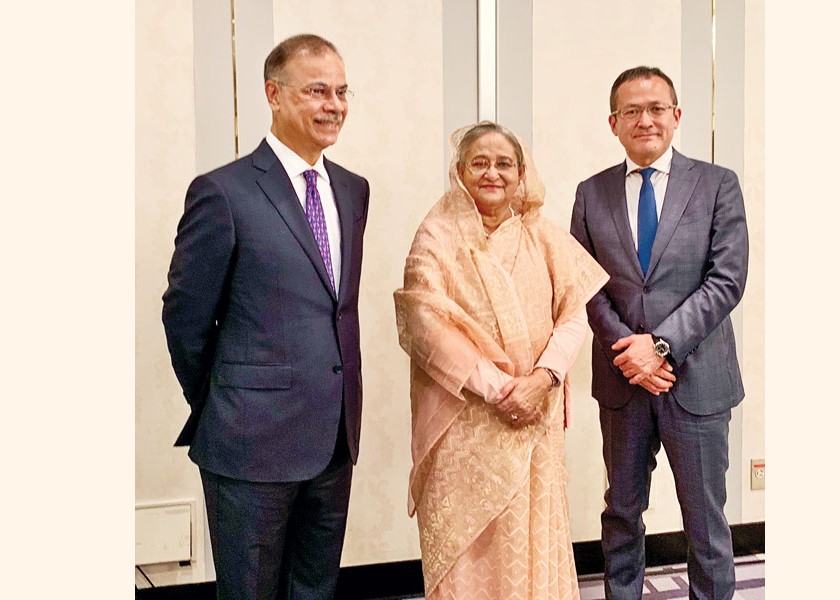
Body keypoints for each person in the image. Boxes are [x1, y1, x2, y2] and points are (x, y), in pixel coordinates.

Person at [161, 34, 369, 600]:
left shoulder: (353, 191)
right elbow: (185, 317)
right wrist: (225, 398)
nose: (335, 104)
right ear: (273, 94)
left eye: (342, 91)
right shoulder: (222, 192)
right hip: (248, 438)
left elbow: (332, 307)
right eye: (317, 91)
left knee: (315, 587)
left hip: (333, 435)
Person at [394, 121, 609, 598]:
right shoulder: (437, 235)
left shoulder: (545, 236)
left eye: (504, 163)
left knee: (532, 541)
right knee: (467, 552)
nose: (493, 173)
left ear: (521, 173)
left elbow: (575, 316)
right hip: (465, 423)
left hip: (535, 419)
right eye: (480, 162)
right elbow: (425, 324)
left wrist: (543, 380)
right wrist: (500, 390)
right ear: (460, 171)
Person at [570, 66, 749, 600]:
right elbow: (584, 284)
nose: (644, 120)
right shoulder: (590, 193)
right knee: (621, 513)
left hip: (696, 385)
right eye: (631, 111)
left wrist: (660, 346)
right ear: (613, 122)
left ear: (676, 116)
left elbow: (726, 280)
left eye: (655, 108)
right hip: (624, 384)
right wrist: (631, 352)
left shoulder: (718, 185)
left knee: (705, 522)